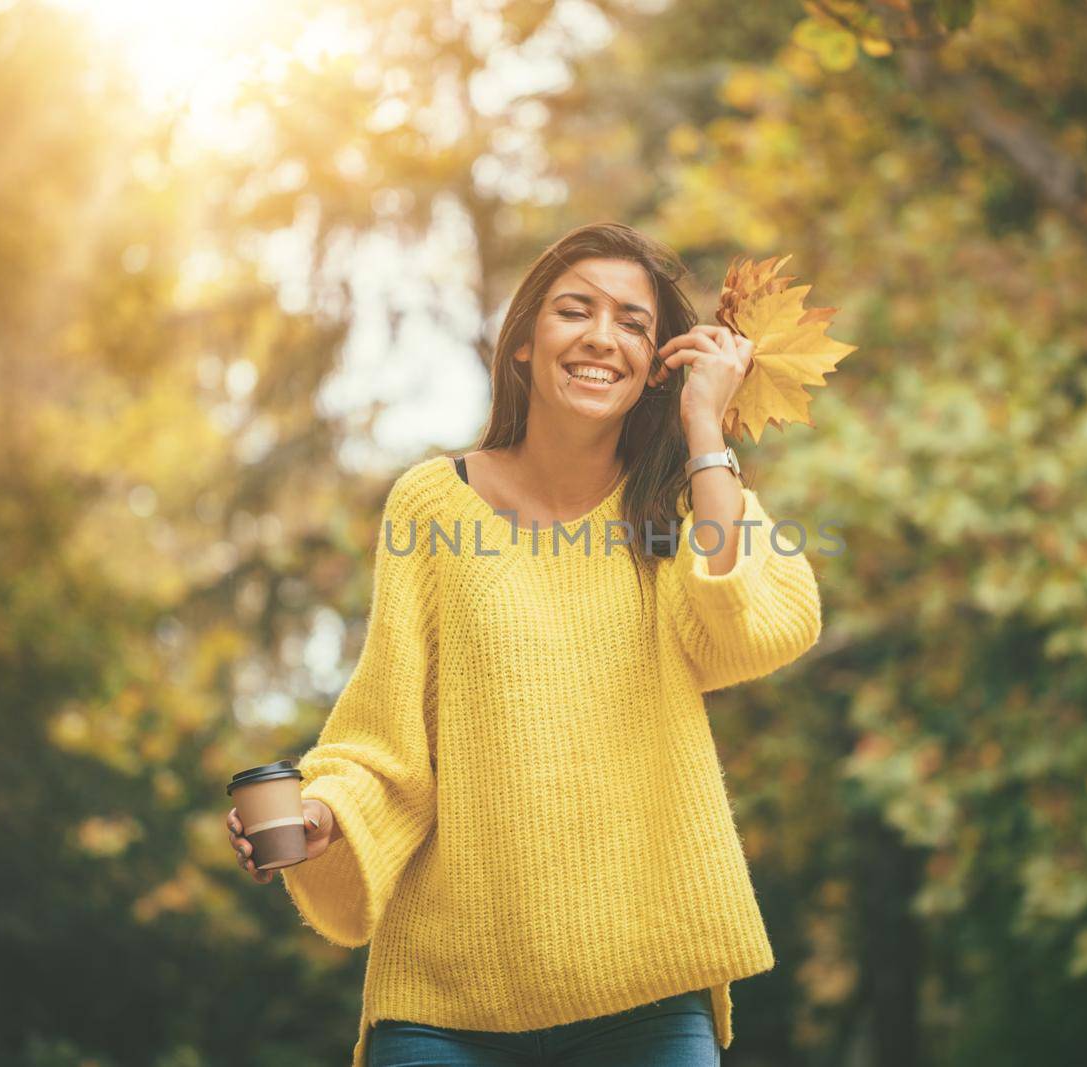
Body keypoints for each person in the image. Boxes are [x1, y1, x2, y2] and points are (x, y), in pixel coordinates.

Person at [227, 221, 823, 1067]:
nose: (600, 336)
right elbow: (386, 731)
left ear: (656, 362)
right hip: (444, 1005)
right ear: (523, 345)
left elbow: (746, 627)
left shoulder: (680, 503)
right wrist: (323, 818)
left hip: (645, 997)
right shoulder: (432, 504)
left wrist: (704, 425)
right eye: (574, 310)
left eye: (632, 322)